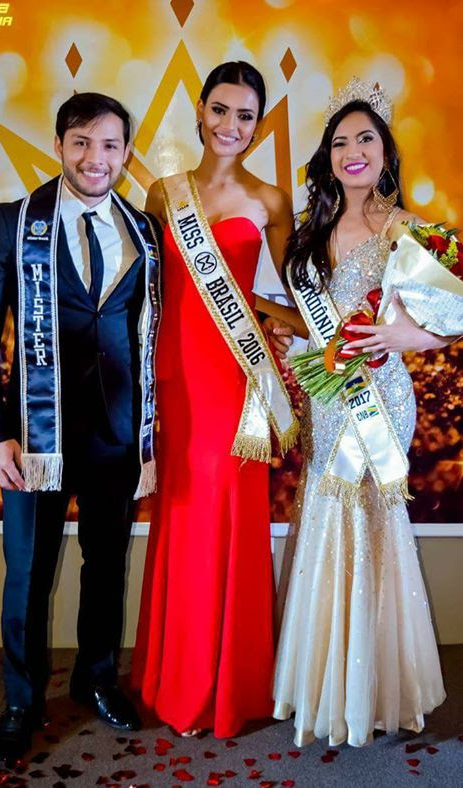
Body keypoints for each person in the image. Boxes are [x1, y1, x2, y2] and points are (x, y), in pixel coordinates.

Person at [0, 92, 162, 764]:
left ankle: (95, 678)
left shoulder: (144, 231)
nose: (95, 158)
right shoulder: (13, 222)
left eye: (109, 145)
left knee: (106, 566)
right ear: (59, 146)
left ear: (125, 153)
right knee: (28, 572)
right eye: (82, 142)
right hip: (32, 436)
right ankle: (21, 701)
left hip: (115, 435)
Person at [272, 78, 448, 747]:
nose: (353, 151)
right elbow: (316, 326)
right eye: (341, 141)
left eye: (365, 138)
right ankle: (326, 684)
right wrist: (276, 323)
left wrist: (407, 336)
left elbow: (452, 312)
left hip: (381, 399)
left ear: (385, 151)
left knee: (371, 523)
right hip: (327, 399)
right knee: (326, 515)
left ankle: (373, 689)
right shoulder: (314, 230)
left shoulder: (405, 227)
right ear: (328, 155)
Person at [131, 61, 303, 738]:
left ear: (257, 126)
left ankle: (229, 686)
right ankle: (179, 679)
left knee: (228, 518)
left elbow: (299, 298)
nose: (231, 125)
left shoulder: (271, 200)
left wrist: (270, 319)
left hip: (238, 381)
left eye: (245, 115)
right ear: (201, 111)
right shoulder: (163, 194)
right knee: (184, 520)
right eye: (221, 109)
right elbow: (144, 291)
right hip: (176, 378)